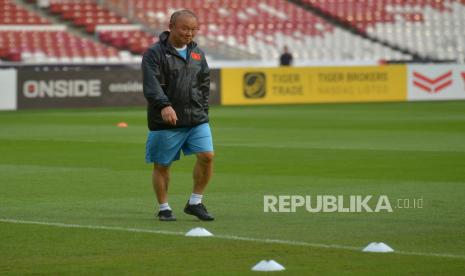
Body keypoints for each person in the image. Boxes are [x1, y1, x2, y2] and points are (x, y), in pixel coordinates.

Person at [142, 9, 214, 222]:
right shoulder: (154, 53)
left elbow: (204, 82)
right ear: (171, 26)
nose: (189, 33)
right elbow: (151, 84)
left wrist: (203, 109)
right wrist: (164, 105)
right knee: (162, 165)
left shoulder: (197, 53)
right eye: (184, 28)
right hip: (166, 121)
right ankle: (164, 208)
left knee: (207, 157)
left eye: (193, 29)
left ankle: (195, 202)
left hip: (196, 118)